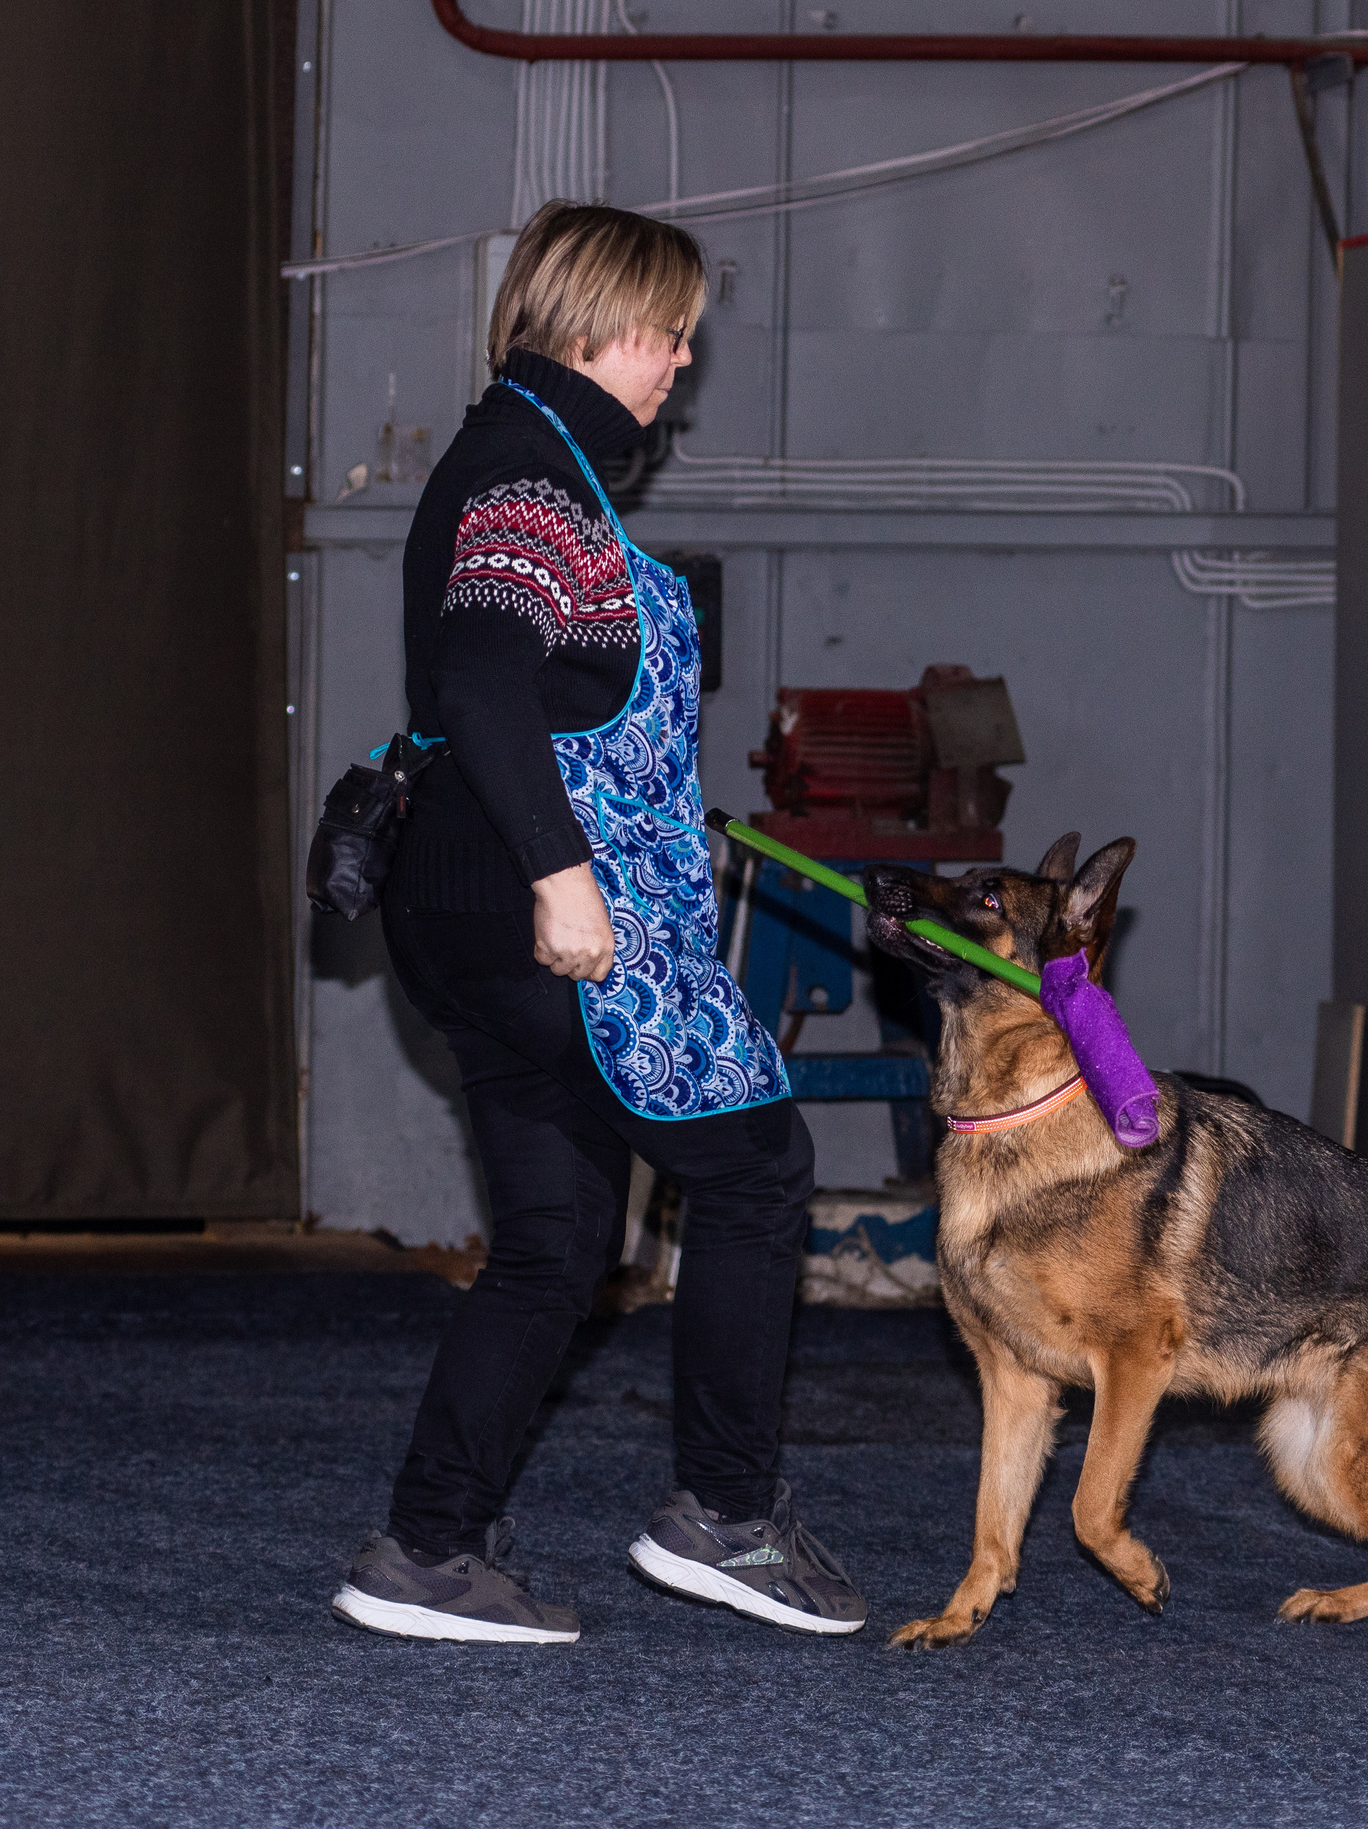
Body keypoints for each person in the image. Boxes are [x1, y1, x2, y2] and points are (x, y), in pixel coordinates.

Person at [328, 202, 864, 1644]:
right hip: (552, 926)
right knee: (758, 1168)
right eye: (666, 331)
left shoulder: (515, 461)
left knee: (558, 1244)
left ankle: (428, 1549)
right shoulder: (527, 484)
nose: (682, 363)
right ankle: (728, 1517)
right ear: (590, 325)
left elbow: (532, 694)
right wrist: (568, 880)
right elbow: (490, 686)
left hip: (468, 923)